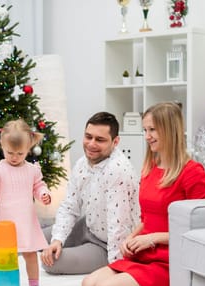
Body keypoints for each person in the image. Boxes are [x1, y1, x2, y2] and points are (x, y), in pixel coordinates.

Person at [81, 102, 205, 286]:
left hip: (167, 259)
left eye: (152, 130)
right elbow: (146, 219)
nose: (147, 136)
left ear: (169, 130)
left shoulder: (192, 172)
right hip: (142, 252)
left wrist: (152, 239)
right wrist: (130, 238)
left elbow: (198, 229)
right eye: (145, 130)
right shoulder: (149, 168)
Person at [41, 112, 140, 275]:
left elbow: (118, 228)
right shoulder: (82, 163)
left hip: (104, 244)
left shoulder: (118, 171)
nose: (91, 144)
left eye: (100, 140)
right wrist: (57, 240)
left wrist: (116, 269)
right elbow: (69, 206)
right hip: (87, 226)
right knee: (31, 238)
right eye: (88, 137)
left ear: (115, 142)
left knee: (50, 262)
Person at [0, 119, 51, 286]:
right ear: (1, 145)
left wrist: (43, 194)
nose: (14, 157)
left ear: (29, 148)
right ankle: (3, 284)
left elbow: (38, 185)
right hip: (6, 223)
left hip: (26, 221)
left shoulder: (32, 170)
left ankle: (34, 285)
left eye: (20, 153)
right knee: (3, 256)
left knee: (30, 255)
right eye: (10, 152)